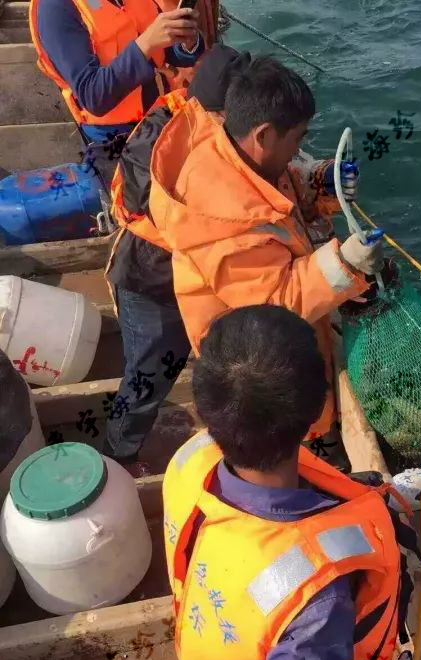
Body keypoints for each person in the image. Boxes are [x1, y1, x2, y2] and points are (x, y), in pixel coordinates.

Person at [162, 305, 421, 660]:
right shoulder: (316, 595)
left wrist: (381, 495)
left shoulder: (191, 459)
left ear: (206, 408)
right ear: (315, 413)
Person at [149, 55, 383, 441]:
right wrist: (345, 263)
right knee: (280, 431)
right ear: (263, 136)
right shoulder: (226, 220)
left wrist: (321, 183)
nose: (299, 150)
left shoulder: (231, 151)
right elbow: (275, 305)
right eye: (298, 139)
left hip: (272, 338)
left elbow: (281, 193)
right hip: (253, 365)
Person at [103, 44, 250, 474]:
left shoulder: (213, 132)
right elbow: (148, 207)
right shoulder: (159, 140)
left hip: (196, 282)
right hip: (150, 282)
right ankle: (118, 454)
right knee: (145, 377)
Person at [29, 0, 207, 145]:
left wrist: (187, 43)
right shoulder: (55, 7)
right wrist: (146, 44)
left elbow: (164, 51)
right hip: (113, 140)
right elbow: (93, 96)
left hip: (163, 119)